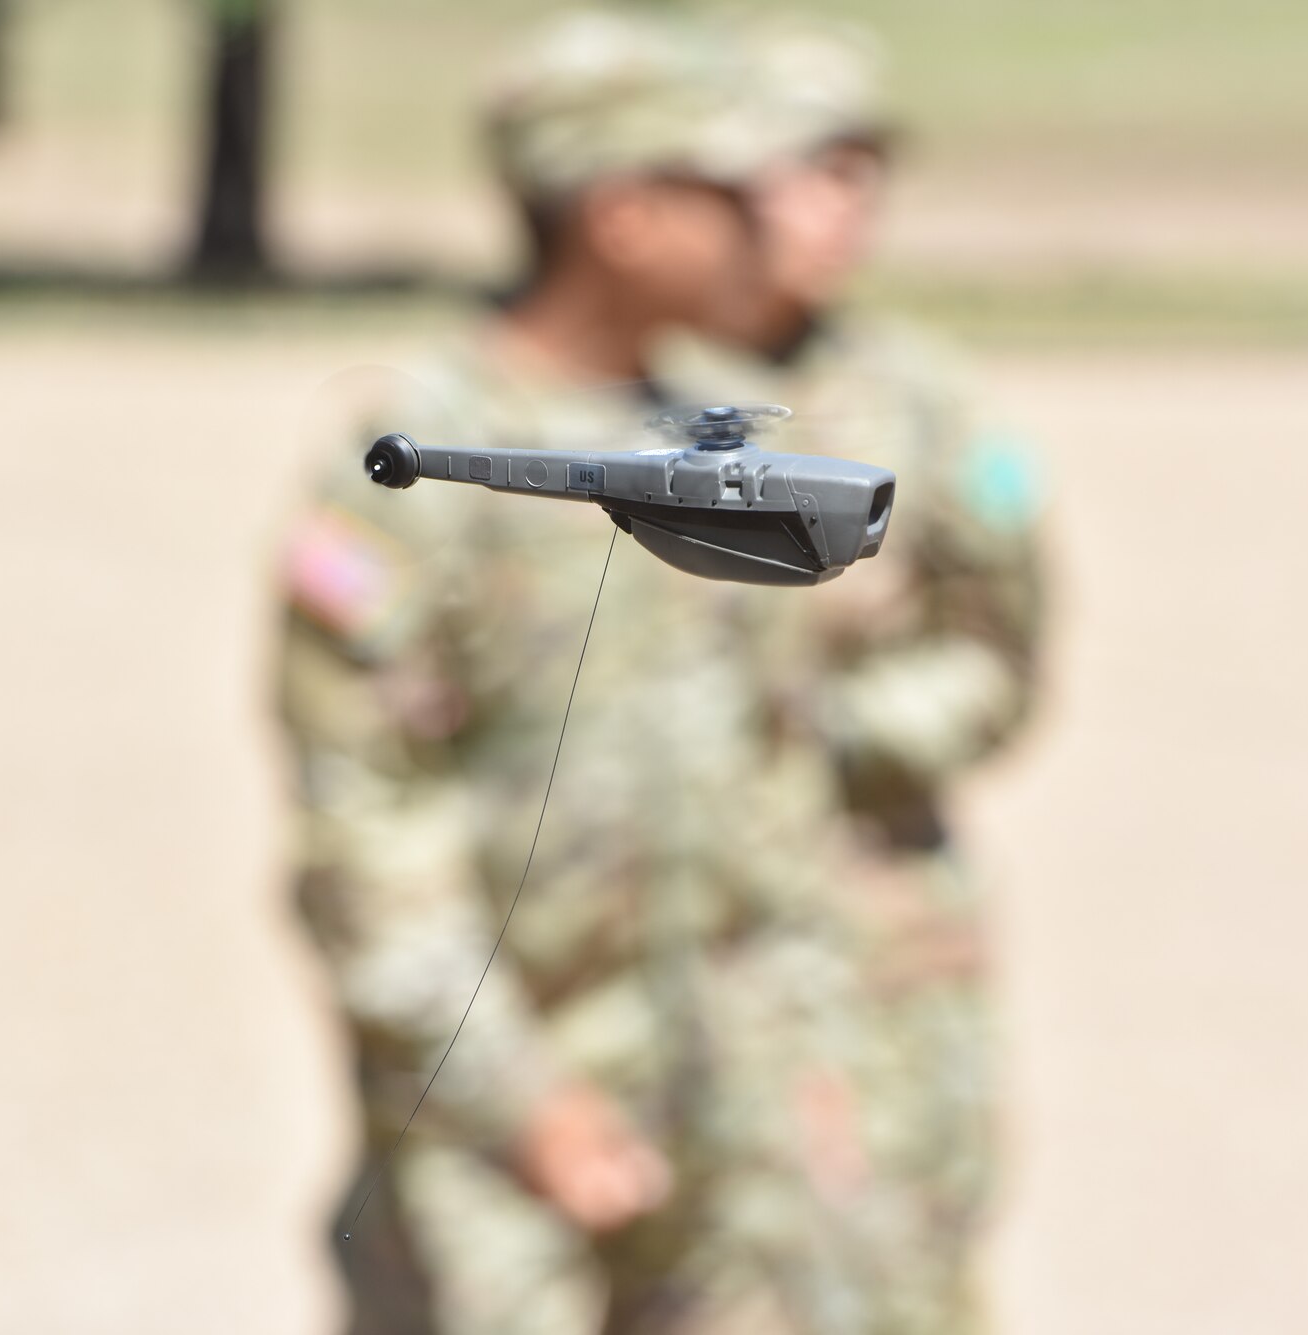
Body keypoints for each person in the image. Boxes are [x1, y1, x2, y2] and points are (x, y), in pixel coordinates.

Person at [277, 12, 878, 1333]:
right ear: (621, 216)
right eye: (725, 197)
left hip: (723, 1123)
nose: (766, 228)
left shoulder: (726, 451)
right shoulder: (418, 469)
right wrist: (524, 1104)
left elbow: (777, 784)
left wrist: (812, 1063)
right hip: (498, 1144)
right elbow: (365, 840)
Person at [658, 19, 1050, 1333]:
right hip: (671, 927)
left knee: (897, 1271)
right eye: (812, 173)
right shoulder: (637, 399)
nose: (848, 209)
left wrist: (844, 727)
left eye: (862, 174)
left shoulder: (924, 404)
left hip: (871, 927)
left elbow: (999, 659)